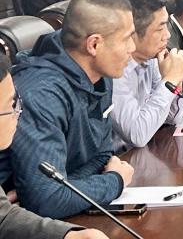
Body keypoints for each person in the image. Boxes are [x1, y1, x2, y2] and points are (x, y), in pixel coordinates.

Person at [4, 0, 134, 219]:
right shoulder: (41, 93)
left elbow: (103, 156)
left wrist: (64, 187)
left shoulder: (101, 75)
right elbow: (47, 200)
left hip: (56, 214)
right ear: (94, 45)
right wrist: (114, 181)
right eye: (127, 38)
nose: (132, 48)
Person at [0, 55, 110, 238]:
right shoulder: (42, 90)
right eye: (11, 106)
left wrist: (69, 235)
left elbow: (3, 218)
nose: (17, 114)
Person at [110, 0, 183, 150]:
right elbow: (137, 135)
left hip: (145, 154)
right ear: (132, 33)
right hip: (118, 158)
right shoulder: (114, 70)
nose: (167, 35)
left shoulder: (152, 59)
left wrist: (176, 83)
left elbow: (171, 118)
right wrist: (170, 81)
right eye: (160, 28)